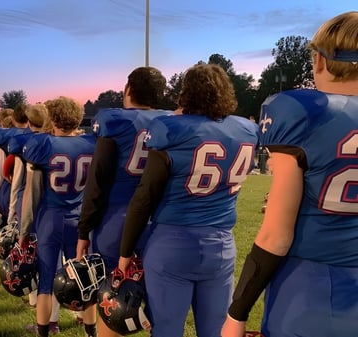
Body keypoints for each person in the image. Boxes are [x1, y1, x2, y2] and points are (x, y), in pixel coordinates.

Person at [222, 11, 358, 337]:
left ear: (321, 62)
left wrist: (236, 315)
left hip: (313, 290)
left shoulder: (305, 113)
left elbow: (276, 236)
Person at [117, 63, 259, 337]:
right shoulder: (246, 130)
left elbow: (144, 197)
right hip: (221, 246)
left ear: (186, 93)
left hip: (173, 243)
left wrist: (125, 252)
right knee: (215, 331)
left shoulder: (171, 129)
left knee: (167, 329)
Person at [75, 66, 171, 337]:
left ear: (128, 89)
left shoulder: (114, 120)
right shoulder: (170, 122)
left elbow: (98, 180)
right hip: (159, 225)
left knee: (113, 302)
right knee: (158, 307)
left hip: (116, 222)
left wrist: (84, 229)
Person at [18, 97, 97, 337]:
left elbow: (31, 196)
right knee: (86, 279)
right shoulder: (91, 143)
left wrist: (24, 231)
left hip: (50, 219)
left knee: (46, 280)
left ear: (53, 118)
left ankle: (45, 331)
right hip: (80, 221)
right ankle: (90, 332)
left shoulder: (44, 145)